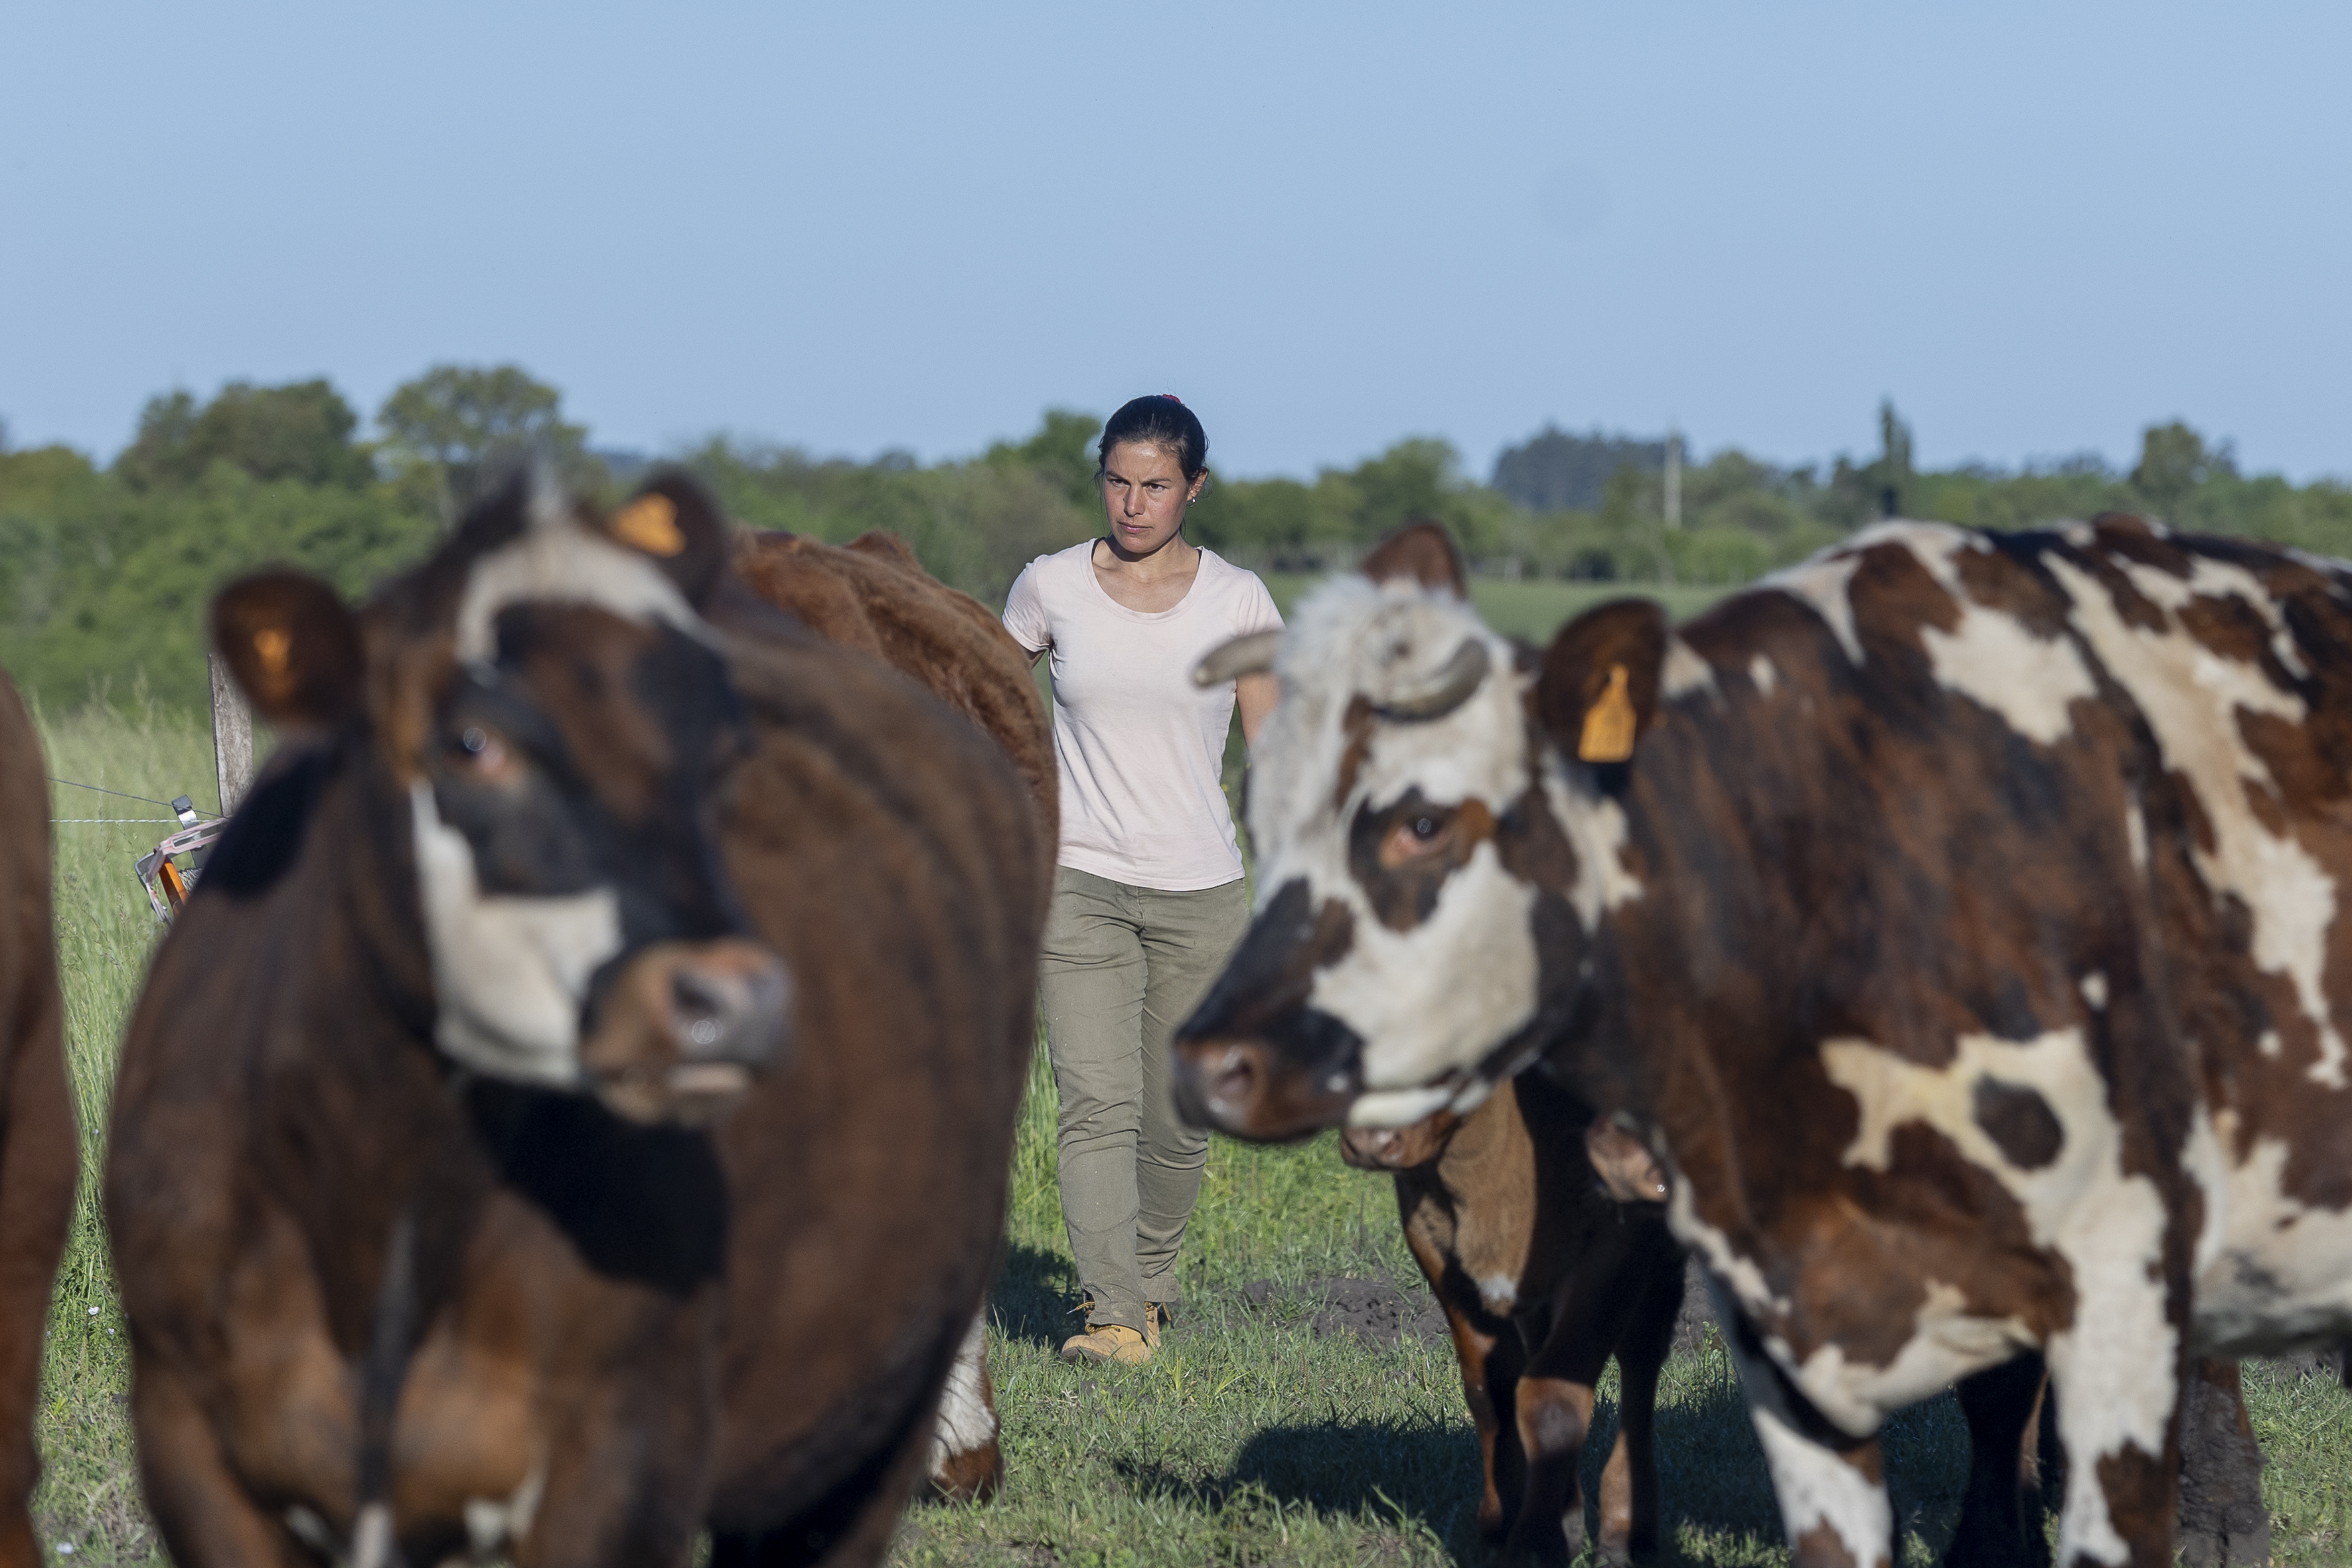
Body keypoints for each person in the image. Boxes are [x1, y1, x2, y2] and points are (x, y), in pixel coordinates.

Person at [1000, 394, 1281, 1367]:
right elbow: (989, 697)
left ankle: (1149, 1283)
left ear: (1194, 488)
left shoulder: (1238, 600)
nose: (1133, 503)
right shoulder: (1048, 586)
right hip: (1077, 881)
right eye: (1117, 482)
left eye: (1155, 485)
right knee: (1095, 1103)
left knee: (1175, 1114)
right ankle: (1113, 1312)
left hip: (1201, 893)